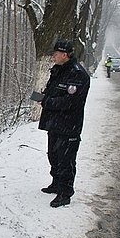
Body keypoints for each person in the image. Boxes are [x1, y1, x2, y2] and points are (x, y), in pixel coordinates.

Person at [38, 39, 90, 208]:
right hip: (54, 123)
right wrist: (43, 96)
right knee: (53, 155)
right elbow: (52, 91)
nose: (53, 55)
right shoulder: (58, 70)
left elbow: (70, 102)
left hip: (69, 126)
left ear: (65, 55)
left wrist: (47, 101)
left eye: (56, 53)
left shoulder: (78, 74)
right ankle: (56, 183)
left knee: (66, 160)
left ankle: (65, 193)